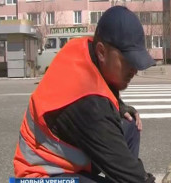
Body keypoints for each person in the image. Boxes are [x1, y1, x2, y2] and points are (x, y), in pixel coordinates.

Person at [13, 6, 156, 183]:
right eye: (128, 61)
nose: (134, 70)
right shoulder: (89, 106)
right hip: (41, 175)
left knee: (129, 124)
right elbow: (132, 177)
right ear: (102, 52)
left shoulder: (86, 49)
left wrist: (119, 106)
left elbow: (100, 88)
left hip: (68, 158)